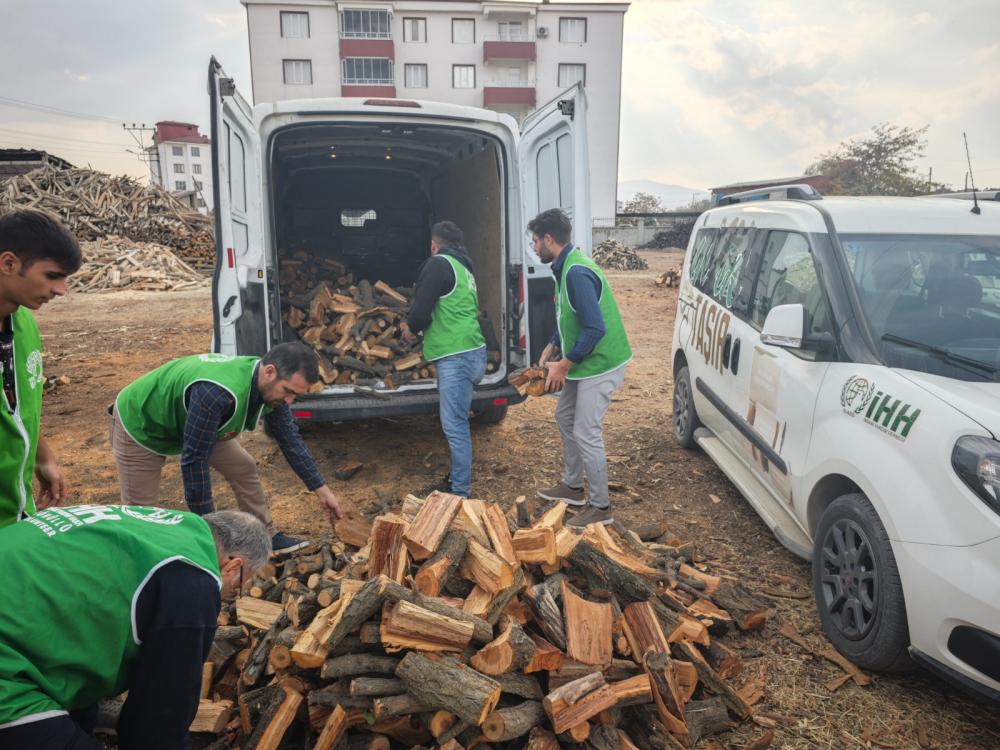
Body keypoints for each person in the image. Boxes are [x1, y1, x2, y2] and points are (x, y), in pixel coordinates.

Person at [0, 504, 270, 749]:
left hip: (20, 611)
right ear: (233, 567)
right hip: (8, 665)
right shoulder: (194, 579)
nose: (231, 594)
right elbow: (162, 713)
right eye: (240, 586)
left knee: (79, 717)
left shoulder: (158, 526)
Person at [108, 342, 343, 554]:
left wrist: (322, 491)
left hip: (197, 421)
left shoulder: (271, 388)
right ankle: (143, 563)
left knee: (244, 467)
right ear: (270, 371)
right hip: (144, 422)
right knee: (141, 513)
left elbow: (291, 441)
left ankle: (264, 537)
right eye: (289, 391)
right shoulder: (218, 394)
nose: (290, 401)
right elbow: (194, 462)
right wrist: (211, 533)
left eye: (296, 396)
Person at [529, 209, 632, 528]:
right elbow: (568, 316)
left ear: (549, 239)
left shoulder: (576, 272)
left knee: (586, 430)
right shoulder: (563, 267)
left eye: (535, 241)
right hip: (583, 361)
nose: (533, 248)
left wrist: (563, 365)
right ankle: (573, 486)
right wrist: (551, 344)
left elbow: (594, 328)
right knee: (564, 416)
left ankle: (601, 507)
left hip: (601, 363)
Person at [0, 209, 81, 528]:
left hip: (17, 513)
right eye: (52, 276)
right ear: (8, 264)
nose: (62, 290)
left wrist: (42, 457)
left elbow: (17, 406)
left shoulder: (24, 324)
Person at [401, 221, 487, 498]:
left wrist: (409, 328)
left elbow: (422, 308)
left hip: (456, 355)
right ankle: (456, 479)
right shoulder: (465, 269)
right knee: (457, 420)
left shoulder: (437, 263)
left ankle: (460, 491)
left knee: (455, 424)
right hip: (473, 351)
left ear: (434, 245)